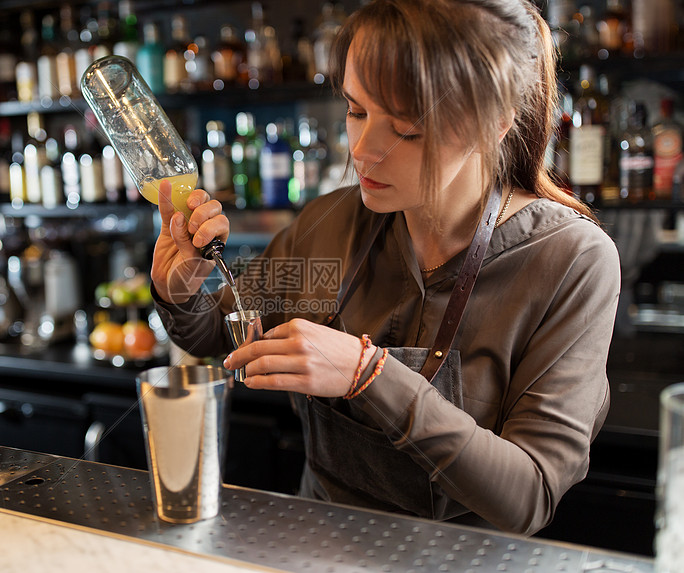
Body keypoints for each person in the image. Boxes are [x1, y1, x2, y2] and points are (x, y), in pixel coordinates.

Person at [150, 0, 620, 536]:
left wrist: (368, 374)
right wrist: (181, 287)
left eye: (406, 129)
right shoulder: (330, 224)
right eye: (355, 111)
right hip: (317, 547)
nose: (364, 151)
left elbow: (529, 496)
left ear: (493, 125)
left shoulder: (570, 261)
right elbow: (221, 332)